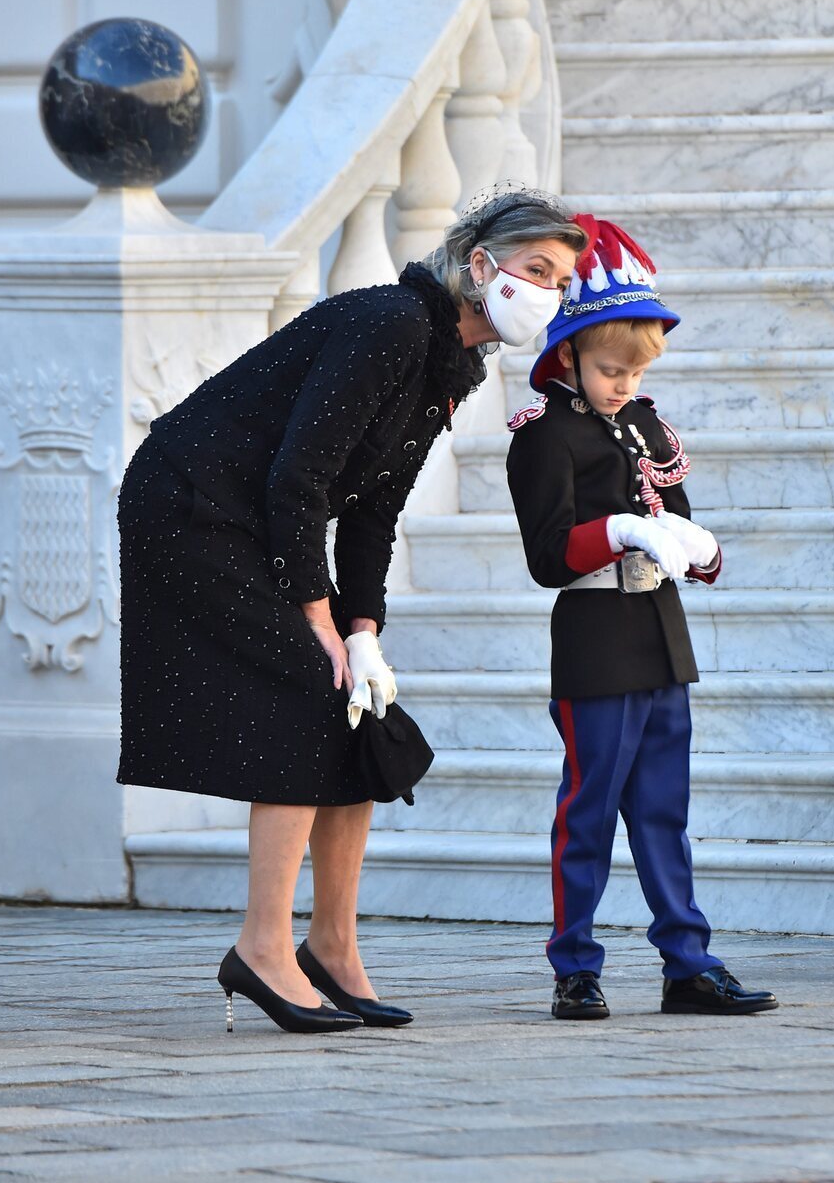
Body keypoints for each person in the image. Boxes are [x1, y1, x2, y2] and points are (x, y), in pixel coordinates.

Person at [116, 187, 588, 1034]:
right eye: (537, 270)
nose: (551, 291)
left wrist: (364, 629)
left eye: (562, 279)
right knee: (305, 691)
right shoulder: (394, 324)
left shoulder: (452, 366)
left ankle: (330, 944)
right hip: (191, 502)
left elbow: (373, 509)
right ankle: (263, 947)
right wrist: (319, 618)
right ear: (480, 266)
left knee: (354, 702)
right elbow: (297, 479)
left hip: (255, 511)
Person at [505, 215, 780, 1020]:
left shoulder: (648, 425)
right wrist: (619, 530)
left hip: (661, 640)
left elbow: (684, 525)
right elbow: (548, 556)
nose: (623, 382)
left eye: (634, 368)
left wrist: (698, 544)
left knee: (665, 812)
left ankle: (687, 961)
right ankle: (575, 965)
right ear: (568, 354)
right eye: (608, 366)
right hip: (595, 641)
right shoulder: (544, 437)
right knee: (587, 812)